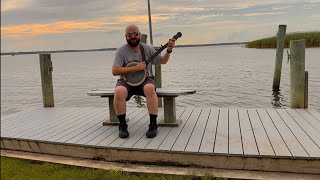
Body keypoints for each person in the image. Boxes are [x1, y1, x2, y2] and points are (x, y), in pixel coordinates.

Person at [112, 24, 176, 138]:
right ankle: (122, 125)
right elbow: (115, 71)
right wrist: (134, 68)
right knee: (119, 91)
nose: (133, 37)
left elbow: (162, 61)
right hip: (126, 81)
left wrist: (169, 50)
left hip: (145, 79)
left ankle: (153, 124)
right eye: (130, 34)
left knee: (150, 88)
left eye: (135, 34)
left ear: (139, 35)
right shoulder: (121, 51)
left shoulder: (147, 48)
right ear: (126, 36)